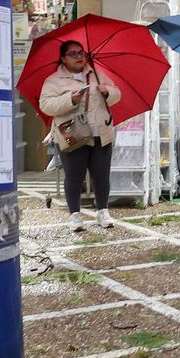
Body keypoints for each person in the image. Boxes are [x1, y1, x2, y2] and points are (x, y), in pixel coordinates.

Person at [39, 40, 122, 231]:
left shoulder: (96, 74)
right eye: (73, 54)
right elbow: (46, 105)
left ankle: (103, 211)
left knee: (101, 174)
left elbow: (118, 94)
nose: (79, 57)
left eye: (81, 53)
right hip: (72, 132)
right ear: (63, 58)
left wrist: (107, 91)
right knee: (74, 175)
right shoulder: (54, 80)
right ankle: (75, 215)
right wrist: (70, 99)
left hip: (100, 131)